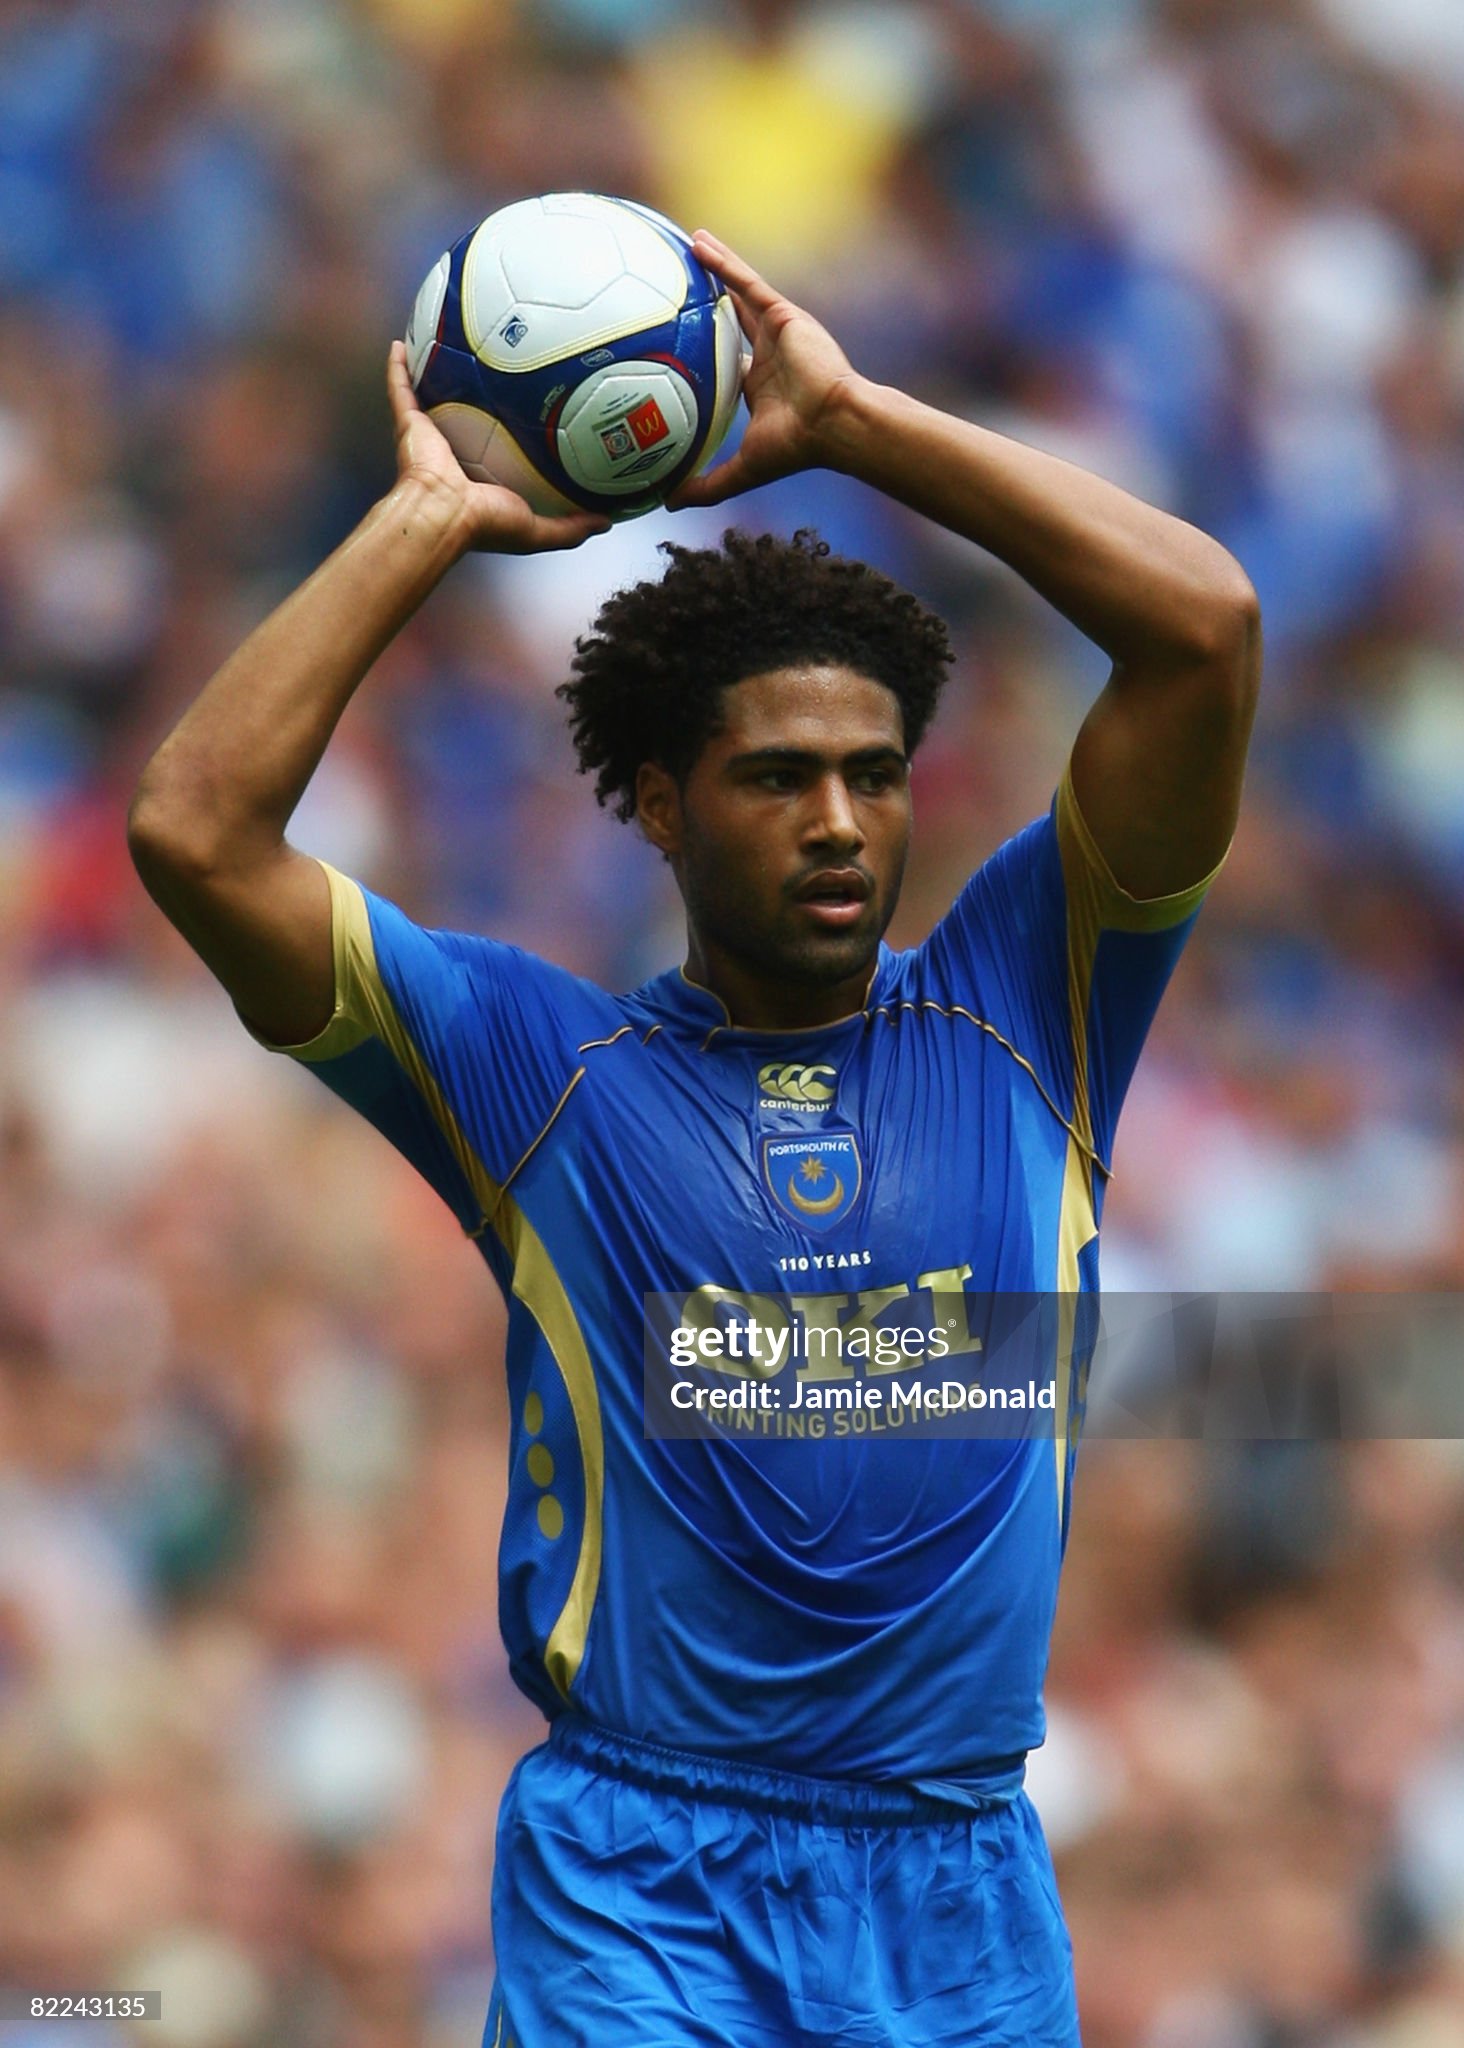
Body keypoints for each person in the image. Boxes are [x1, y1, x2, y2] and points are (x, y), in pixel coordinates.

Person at [128, 229, 1260, 2047]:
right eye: (777, 777)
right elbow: (196, 830)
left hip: (964, 1896)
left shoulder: (1033, 1004)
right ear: (659, 805)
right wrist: (423, 525)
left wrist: (858, 423)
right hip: (642, 1888)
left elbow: (1203, 630)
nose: (840, 822)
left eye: (874, 775)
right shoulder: (533, 1067)